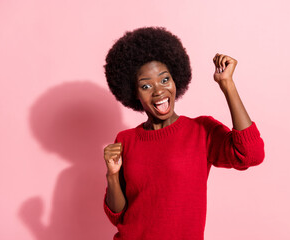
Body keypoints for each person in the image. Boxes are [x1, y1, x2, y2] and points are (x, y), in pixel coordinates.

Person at [102, 27, 265, 240]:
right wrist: (112, 175)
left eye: (164, 80)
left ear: (175, 80)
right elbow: (117, 215)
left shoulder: (200, 131)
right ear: (135, 94)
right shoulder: (126, 140)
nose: (158, 91)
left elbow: (251, 154)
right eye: (146, 86)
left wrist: (227, 85)